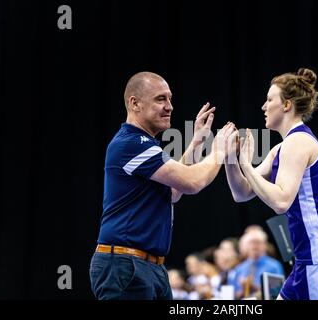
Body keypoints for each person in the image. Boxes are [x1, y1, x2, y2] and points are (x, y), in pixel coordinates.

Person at [89, 71, 234, 300]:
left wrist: (197, 142)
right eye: (160, 99)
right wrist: (219, 151)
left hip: (148, 267)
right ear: (134, 103)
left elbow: (174, 192)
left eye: (170, 99)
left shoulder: (144, 144)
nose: (170, 107)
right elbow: (192, 182)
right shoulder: (131, 143)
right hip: (127, 266)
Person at [224, 68, 318, 300]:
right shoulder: (281, 148)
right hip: (310, 256)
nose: (264, 107)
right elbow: (243, 192)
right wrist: (230, 159)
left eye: (269, 100)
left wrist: (246, 164)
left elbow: (281, 201)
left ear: (286, 105)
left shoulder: (298, 142)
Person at [227, 229, 284, 299]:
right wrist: (244, 289)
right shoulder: (239, 268)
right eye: (251, 242)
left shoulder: (274, 266)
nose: (254, 246)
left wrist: (253, 287)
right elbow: (232, 295)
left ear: (265, 245)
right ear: (246, 246)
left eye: (258, 242)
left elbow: (277, 293)